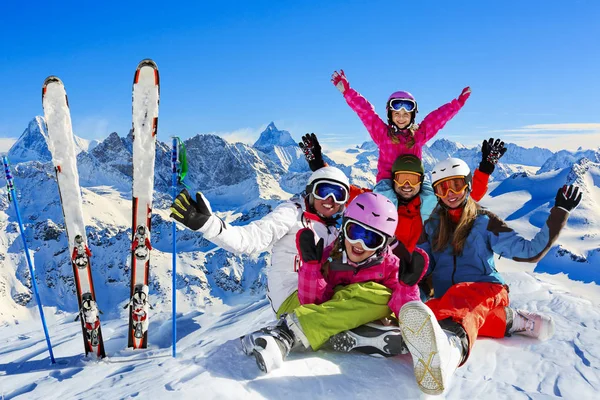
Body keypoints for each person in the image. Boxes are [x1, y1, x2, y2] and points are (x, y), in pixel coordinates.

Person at [397, 157, 582, 396]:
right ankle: (510, 320)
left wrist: (560, 212)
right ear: (437, 193)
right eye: (443, 187)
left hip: (486, 290)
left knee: (459, 298)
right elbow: (424, 266)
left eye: (457, 185)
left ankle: (451, 349)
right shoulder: (432, 226)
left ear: (468, 185)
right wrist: (408, 290)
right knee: (429, 312)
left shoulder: (484, 221)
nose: (451, 193)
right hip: (452, 301)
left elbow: (529, 252)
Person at [243, 192, 428, 372]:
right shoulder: (331, 257)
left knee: (383, 296)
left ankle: (344, 331)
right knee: (374, 294)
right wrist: (311, 268)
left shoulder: (391, 266)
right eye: (355, 231)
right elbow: (312, 303)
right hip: (330, 310)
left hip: (360, 315)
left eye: (371, 239)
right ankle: (289, 331)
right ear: (344, 228)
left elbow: (405, 311)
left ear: (383, 245)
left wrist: (406, 287)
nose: (359, 244)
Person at [170, 165, 351, 317]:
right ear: (311, 191)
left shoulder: (332, 229)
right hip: (292, 297)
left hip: (317, 291)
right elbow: (251, 239)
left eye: (338, 195)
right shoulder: (291, 214)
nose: (330, 200)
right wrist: (210, 225)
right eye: (324, 191)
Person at [331, 69, 471, 207]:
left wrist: (457, 104)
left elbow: (436, 119)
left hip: (415, 182)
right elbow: (366, 112)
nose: (401, 118)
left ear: (412, 116)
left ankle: (429, 227)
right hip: (388, 182)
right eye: (397, 114)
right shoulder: (383, 134)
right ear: (390, 115)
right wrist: (347, 92)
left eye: (405, 114)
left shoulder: (418, 136)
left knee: (430, 197)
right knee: (385, 201)